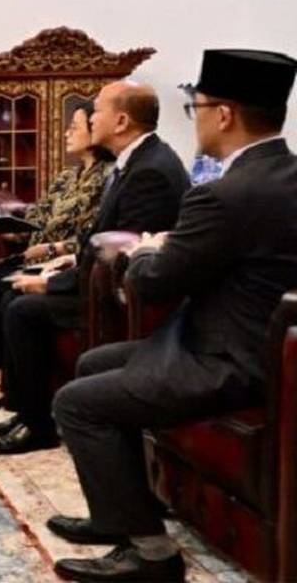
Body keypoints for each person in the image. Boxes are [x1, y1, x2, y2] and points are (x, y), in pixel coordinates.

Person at [49, 50, 297, 582]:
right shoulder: (284, 176)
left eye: (195, 107)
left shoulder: (227, 195)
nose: (195, 118)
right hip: (262, 348)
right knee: (94, 364)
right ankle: (118, 515)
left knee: (77, 403)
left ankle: (151, 554)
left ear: (223, 114)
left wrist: (144, 250)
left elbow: (154, 282)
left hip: (227, 359)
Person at [0, 81, 189, 455]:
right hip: (98, 281)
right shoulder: (135, 161)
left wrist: (54, 284)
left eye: (98, 110)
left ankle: (38, 427)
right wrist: (71, 261)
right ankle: (28, 412)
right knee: (12, 296)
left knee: (24, 309)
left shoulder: (151, 171)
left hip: (118, 297)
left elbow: (122, 255)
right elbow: (104, 239)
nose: (92, 118)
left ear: (121, 121)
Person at [0, 103, 110, 411]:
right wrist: (9, 232)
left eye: (74, 128)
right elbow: (38, 216)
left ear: (94, 133)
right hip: (33, 254)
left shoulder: (105, 179)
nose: (66, 133)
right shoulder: (67, 176)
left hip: (57, 261)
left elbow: (89, 237)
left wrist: (51, 248)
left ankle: (0, 380)